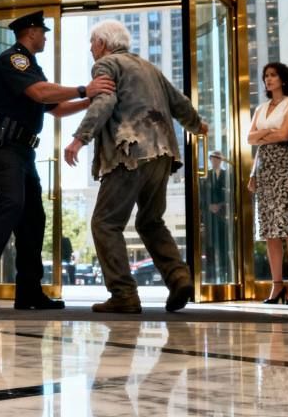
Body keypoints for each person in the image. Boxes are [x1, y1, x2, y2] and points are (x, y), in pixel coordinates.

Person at [0, 10, 115, 313]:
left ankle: (28, 292)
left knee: (33, 218)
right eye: (43, 32)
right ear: (31, 32)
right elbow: (40, 93)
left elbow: (56, 108)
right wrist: (85, 88)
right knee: (11, 205)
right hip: (4, 146)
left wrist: (89, 100)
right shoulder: (15, 60)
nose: (45, 38)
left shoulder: (31, 66)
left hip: (22, 150)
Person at [63, 19, 208, 314]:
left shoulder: (106, 65)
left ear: (102, 43)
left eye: (92, 43)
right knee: (150, 221)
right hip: (162, 153)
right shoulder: (149, 67)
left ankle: (124, 294)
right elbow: (179, 102)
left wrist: (79, 139)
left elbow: (104, 102)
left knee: (105, 223)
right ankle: (178, 277)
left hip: (128, 152)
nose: (90, 49)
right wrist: (197, 125)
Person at [247, 63, 288, 304]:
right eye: (266, 76)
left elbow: (285, 135)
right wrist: (269, 133)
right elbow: (249, 138)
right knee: (269, 228)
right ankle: (277, 284)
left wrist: (263, 135)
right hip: (264, 168)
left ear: (283, 79)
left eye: (273, 75)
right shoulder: (260, 108)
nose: (268, 79)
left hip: (285, 165)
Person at [201, 150, 231, 283]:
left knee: (224, 245)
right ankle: (210, 276)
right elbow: (201, 194)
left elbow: (230, 194)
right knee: (210, 246)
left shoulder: (227, 175)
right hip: (210, 217)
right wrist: (208, 206)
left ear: (221, 160)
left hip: (223, 215)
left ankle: (225, 274)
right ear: (210, 160)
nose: (215, 161)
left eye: (217, 158)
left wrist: (220, 205)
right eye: (213, 159)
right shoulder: (205, 176)